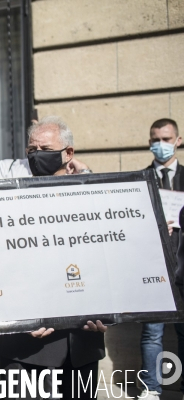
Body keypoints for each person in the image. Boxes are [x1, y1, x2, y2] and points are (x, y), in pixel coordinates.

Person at [0, 116, 106, 399]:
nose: (36, 156)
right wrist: (19, 316)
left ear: (68, 153)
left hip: (81, 346)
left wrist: (111, 313)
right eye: (31, 150)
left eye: (44, 149)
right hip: (25, 351)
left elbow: (107, 262)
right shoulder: (6, 202)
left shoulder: (94, 200)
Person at [138, 118, 184, 400]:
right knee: (152, 334)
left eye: (166, 139)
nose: (161, 145)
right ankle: (151, 389)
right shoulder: (139, 179)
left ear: (177, 140)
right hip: (154, 269)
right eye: (155, 139)